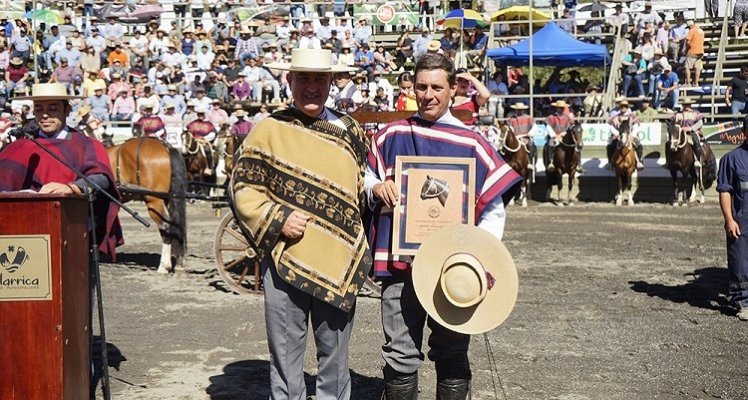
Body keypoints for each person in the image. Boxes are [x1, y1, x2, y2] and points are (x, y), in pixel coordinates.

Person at [365, 54, 521, 400]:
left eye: (437, 87)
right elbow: (365, 176)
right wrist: (375, 187)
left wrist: (477, 255)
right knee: (399, 352)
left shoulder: (472, 143)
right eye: (421, 87)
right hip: (400, 265)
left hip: (452, 270)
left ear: (453, 90)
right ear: (412, 90)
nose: (429, 94)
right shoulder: (391, 135)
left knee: (451, 351)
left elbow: (493, 210)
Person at [230, 48, 369, 400]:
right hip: (284, 261)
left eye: (319, 79)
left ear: (331, 82)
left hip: (338, 264)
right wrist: (277, 219)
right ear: (289, 80)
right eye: (303, 78)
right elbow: (243, 187)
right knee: (285, 361)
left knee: (335, 363)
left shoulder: (350, 131)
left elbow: (358, 188)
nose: (311, 87)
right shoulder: (269, 130)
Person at [0, 83, 122, 259]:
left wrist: (73, 188)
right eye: (39, 109)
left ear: (67, 110)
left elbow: (100, 178)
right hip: (25, 236)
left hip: (74, 232)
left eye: (53, 108)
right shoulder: (18, 147)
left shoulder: (86, 144)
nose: (45, 114)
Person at [717, 118, 748, 321]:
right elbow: (725, 191)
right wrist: (729, 218)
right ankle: (743, 302)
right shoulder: (731, 159)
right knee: (740, 260)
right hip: (742, 219)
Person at [545, 100, 582, 173]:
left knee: (576, 146)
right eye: (559, 108)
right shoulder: (551, 117)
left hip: (565, 136)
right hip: (555, 136)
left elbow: (570, 127)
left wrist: (564, 133)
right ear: (557, 108)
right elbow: (548, 127)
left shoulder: (567, 117)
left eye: (562, 108)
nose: (561, 109)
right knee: (550, 144)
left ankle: (578, 164)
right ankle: (551, 161)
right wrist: (555, 135)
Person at [606, 100, 644, 170]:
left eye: (625, 106)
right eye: (622, 106)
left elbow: (636, 125)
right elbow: (611, 127)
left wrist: (632, 135)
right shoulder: (615, 116)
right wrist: (617, 134)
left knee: (639, 146)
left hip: (630, 135)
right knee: (610, 146)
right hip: (618, 135)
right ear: (619, 107)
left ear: (627, 107)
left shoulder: (632, 116)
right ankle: (610, 163)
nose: (623, 108)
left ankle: (639, 161)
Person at [670, 97, 704, 167]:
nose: (686, 106)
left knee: (695, 141)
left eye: (688, 104)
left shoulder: (696, 113)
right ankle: (669, 161)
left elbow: (700, 123)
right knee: (669, 143)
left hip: (691, 132)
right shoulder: (678, 114)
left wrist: (690, 128)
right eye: (685, 105)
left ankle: (697, 160)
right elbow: (671, 123)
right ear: (682, 105)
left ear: (690, 105)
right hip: (679, 133)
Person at [507, 103, 537, 168]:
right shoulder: (511, 120)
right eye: (517, 110)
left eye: (520, 110)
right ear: (515, 110)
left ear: (523, 110)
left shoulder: (529, 118)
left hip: (526, 137)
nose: (519, 111)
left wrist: (530, 133)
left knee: (531, 145)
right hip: (515, 138)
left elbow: (534, 127)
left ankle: (530, 162)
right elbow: (510, 129)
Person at [684, 20, 704, 87]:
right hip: (700, 51)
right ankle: (696, 83)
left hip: (692, 51)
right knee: (697, 67)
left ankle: (688, 83)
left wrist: (686, 49)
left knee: (687, 67)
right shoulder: (700, 30)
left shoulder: (691, 31)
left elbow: (688, 42)